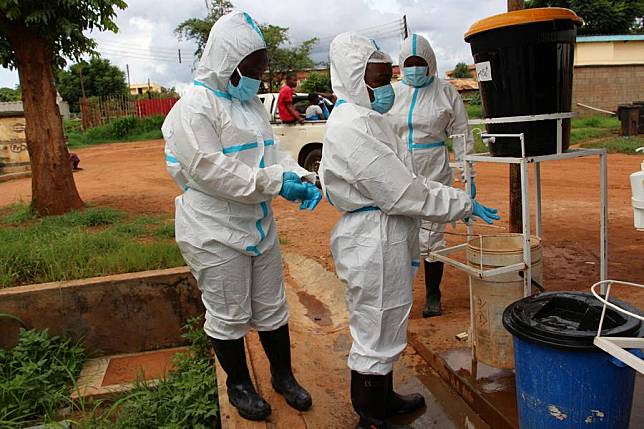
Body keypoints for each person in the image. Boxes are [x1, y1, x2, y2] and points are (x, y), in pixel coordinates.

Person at [319, 33, 499, 429]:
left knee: (386, 320)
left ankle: (383, 399)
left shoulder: (368, 118)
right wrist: (460, 203)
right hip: (372, 236)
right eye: (379, 81)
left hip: (381, 231)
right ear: (353, 77)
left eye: (388, 79)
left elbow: (408, 177)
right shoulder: (353, 126)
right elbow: (403, 192)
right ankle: (370, 415)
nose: (387, 89)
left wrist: (453, 195)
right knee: (375, 326)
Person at [162, 10, 321, 422]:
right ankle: (239, 385)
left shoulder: (249, 105)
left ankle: (283, 377)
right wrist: (275, 183)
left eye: (260, 69)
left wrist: (300, 175)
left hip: (258, 222)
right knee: (228, 312)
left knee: (271, 305)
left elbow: (273, 153)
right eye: (249, 69)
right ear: (226, 63)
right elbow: (212, 171)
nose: (256, 77)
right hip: (213, 229)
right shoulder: (193, 108)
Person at [388, 34, 489, 318]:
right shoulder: (392, 93)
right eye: (410, 63)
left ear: (430, 63)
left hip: (433, 165)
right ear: (401, 64)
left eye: (420, 63)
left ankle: (433, 294)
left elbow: (461, 135)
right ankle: (400, 296)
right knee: (398, 232)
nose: (415, 68)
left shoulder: (446, 92)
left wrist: (468, 176)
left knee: (432, 234)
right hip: (398, 169)